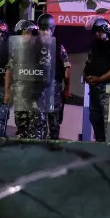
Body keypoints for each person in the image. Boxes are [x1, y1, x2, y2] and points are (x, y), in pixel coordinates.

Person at [4, 20, 56, 140]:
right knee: (22, 129)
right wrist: (7, 92)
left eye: (27, 33)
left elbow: (45, 72)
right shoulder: (17, 50)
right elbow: (9, 70)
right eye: (22, 33)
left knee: (36, 131)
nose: (24, 36)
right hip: (21, 95)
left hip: (37, 97)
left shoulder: (42, 49)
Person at [84, 17, 110, 143]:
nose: (97, 34)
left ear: (106, 31)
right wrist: (88, 77)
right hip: (94, 91)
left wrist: (99, 79)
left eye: (100, 31)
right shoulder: (94, 48)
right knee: (95, 119)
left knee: (107, 122)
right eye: (95, 31)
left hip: (108, 91)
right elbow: (88, 65)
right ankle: (99, 144)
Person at [37, 13, 70, 141]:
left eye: (47, 29)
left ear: (52, 29)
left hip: (54, 88)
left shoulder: (59, 46)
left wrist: (67, 88)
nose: (44, 32)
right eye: (42, 29)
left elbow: (67, 68)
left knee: (54, 121)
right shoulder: (34, 45)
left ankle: (54, 147)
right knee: (39, 121)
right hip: (38, 89)